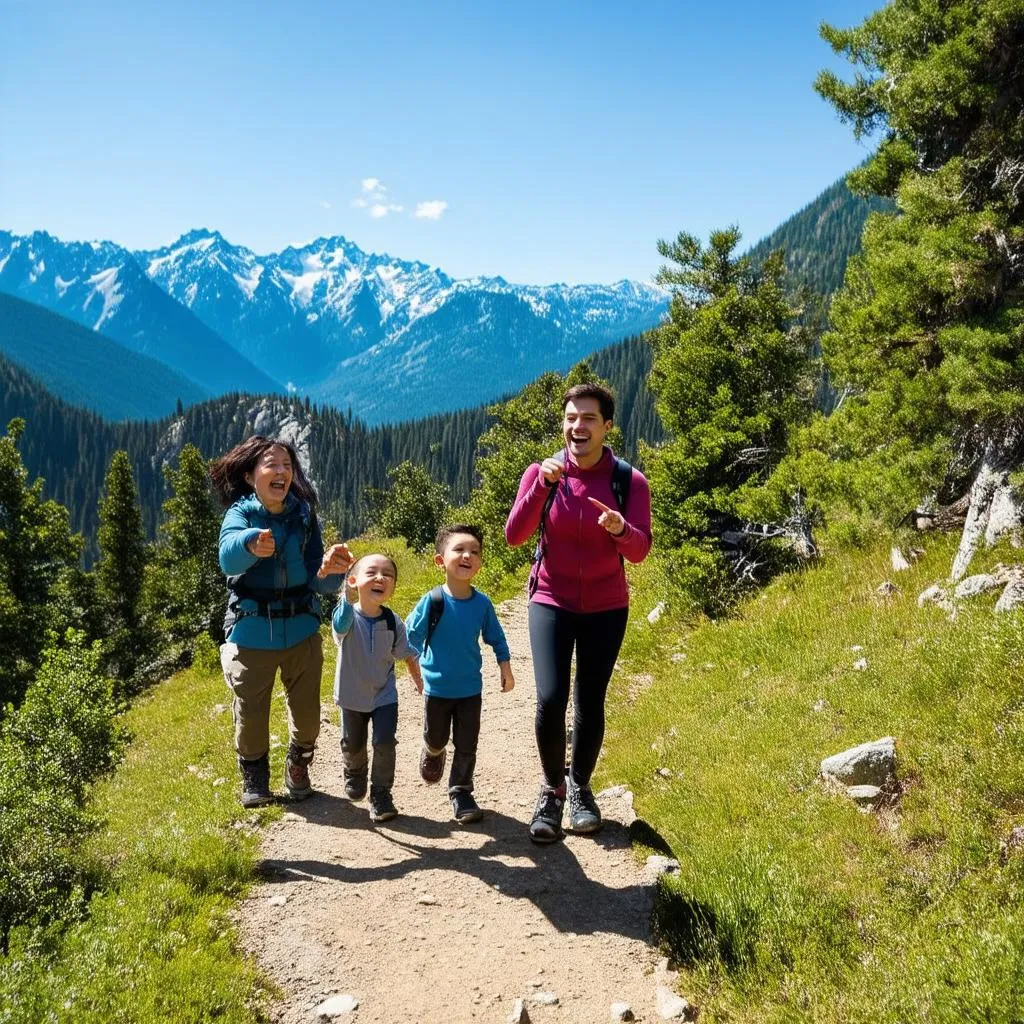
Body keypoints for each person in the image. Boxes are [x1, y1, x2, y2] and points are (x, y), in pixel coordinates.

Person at [505, 382, 652, 843]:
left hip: (607, 607)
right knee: (551, 698)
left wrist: (620, 528)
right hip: (551, 598)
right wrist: (541, 487)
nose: (577, 426)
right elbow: (514, 534)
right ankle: (551, 789)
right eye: (571, 418)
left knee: (590, 701)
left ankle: (581, 789)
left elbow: (640, 550)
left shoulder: (629, 481)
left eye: (588, 418)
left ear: (607, 427)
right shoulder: (542, 473)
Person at [212, 435, 354, 808]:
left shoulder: (304, 514)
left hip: (302, 629)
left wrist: (330, 570)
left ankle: (298, 762)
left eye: (287, 466)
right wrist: (248, 543)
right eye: (272, 465)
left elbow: (316, 580)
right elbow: (228, 558)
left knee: (308, 717)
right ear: (249, 475)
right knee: (252, 712)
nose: (282, 472)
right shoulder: (240, 515)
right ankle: (255, 777)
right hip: (252, 630)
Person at [405, 524, 515, 824]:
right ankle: (432, 749)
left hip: (470, 690)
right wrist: (413, 671)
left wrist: (505, 667)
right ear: (440, 560)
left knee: (467, 744)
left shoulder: (482, 604)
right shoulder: (433, 601)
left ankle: (461, 792)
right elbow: (408, 639)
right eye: (459, 550)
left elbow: (496, 637)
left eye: (474, 551)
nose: (467, 555)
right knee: (437, 736)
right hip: (436, 690)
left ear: (479, 562)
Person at [332, 553, 422, 823]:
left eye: (388, 575)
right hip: (351, 695)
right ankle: (355, 772)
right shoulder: (346, 617)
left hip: (384, 696)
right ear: (354, 581)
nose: (380, 578)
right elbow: (339, 624)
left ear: (392, 587)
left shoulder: (393, 621)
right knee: (353, 743)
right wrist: (345, 594)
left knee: (384, 743)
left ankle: (381, 794)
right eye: (371, 572)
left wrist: (418, 678)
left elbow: (406, 652)